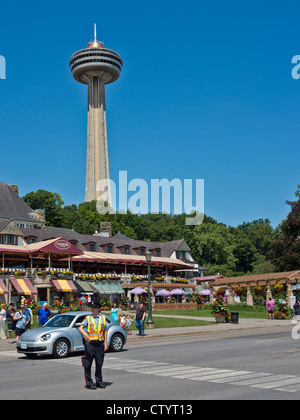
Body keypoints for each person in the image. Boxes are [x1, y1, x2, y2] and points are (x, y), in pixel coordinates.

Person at [79, 303, 108, 390]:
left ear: (98, 309)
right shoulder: (88, 318)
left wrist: (106, 343)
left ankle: (99, 382)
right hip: (90, 344)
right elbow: (80, 328)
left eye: (94, 308)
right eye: (92, 308)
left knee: (99, 364)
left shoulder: (103, 318)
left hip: (100, 343)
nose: (93, 309)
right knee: (87, 364)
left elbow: (105, 331)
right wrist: (85, 335)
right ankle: (89, 383)